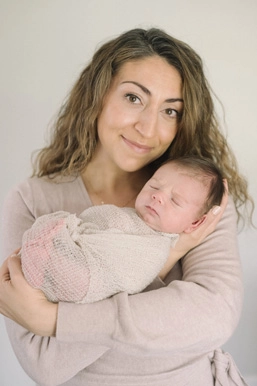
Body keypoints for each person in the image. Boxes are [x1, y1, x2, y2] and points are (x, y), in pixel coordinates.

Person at [0, 27, 253, 386]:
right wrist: (169, 256)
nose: (148, 129)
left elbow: (213, 316)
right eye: (134, 98)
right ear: (97, 95)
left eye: (170, 111)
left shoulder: (196, 197)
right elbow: (45, 365)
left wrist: (55, 321)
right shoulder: (33, 200)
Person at [20, 156, 225, 304]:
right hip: (76, 258)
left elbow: (131, 279)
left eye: (175, 200)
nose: (157, 196)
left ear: (195, 224)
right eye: (154, 186)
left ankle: (44, 262)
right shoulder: (28, 195)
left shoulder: (155, 249)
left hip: (89, 279)